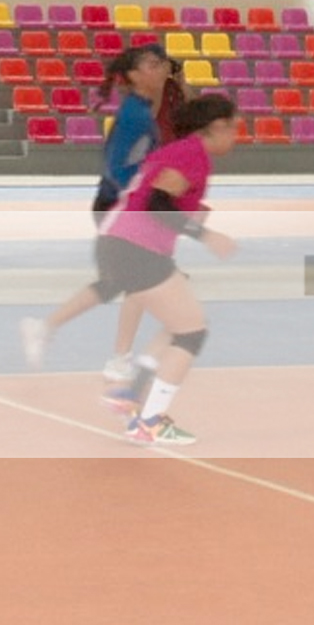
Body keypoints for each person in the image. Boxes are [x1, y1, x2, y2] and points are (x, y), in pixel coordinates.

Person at [94, 94, 241, 445]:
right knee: (191, 332)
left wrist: (193, 212)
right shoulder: (192, 154)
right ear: (216, 127)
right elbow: (157, 202)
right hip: (136, 250)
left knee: (178, 324)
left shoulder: (183, 152)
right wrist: (203, 233)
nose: (236, 135)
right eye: (233, 127)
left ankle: (129, 393)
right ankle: (149, 421)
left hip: (129, 248)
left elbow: (158, 197)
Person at [20, 44, 173, 375]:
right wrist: (145, 192)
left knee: (123, 282)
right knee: (140, 281)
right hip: (119, 206)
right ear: (133, 75)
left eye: (163, 63)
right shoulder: (134, 116)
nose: (161, 67)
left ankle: (49, 330)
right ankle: (116, 359)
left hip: (124, 206)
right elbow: (115, 167)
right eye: (152, 64)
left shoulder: (142, 106)